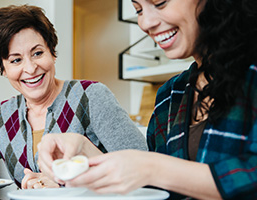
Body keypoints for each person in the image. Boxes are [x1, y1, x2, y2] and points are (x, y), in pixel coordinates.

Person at [37, 0, 257, 199]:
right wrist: (86, 154)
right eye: (138, 10)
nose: (145, 23)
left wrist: (151, 168)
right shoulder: (170, 95)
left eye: (160, 3)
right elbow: (158, 191)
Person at [0, 5, 147, 189]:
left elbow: (144, 170)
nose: (30, 69)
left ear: (52, 52)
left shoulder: (91, 97)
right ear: (4, 69)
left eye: (38, 53)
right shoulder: (1, 118)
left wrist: (66, 190)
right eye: (16, 60)